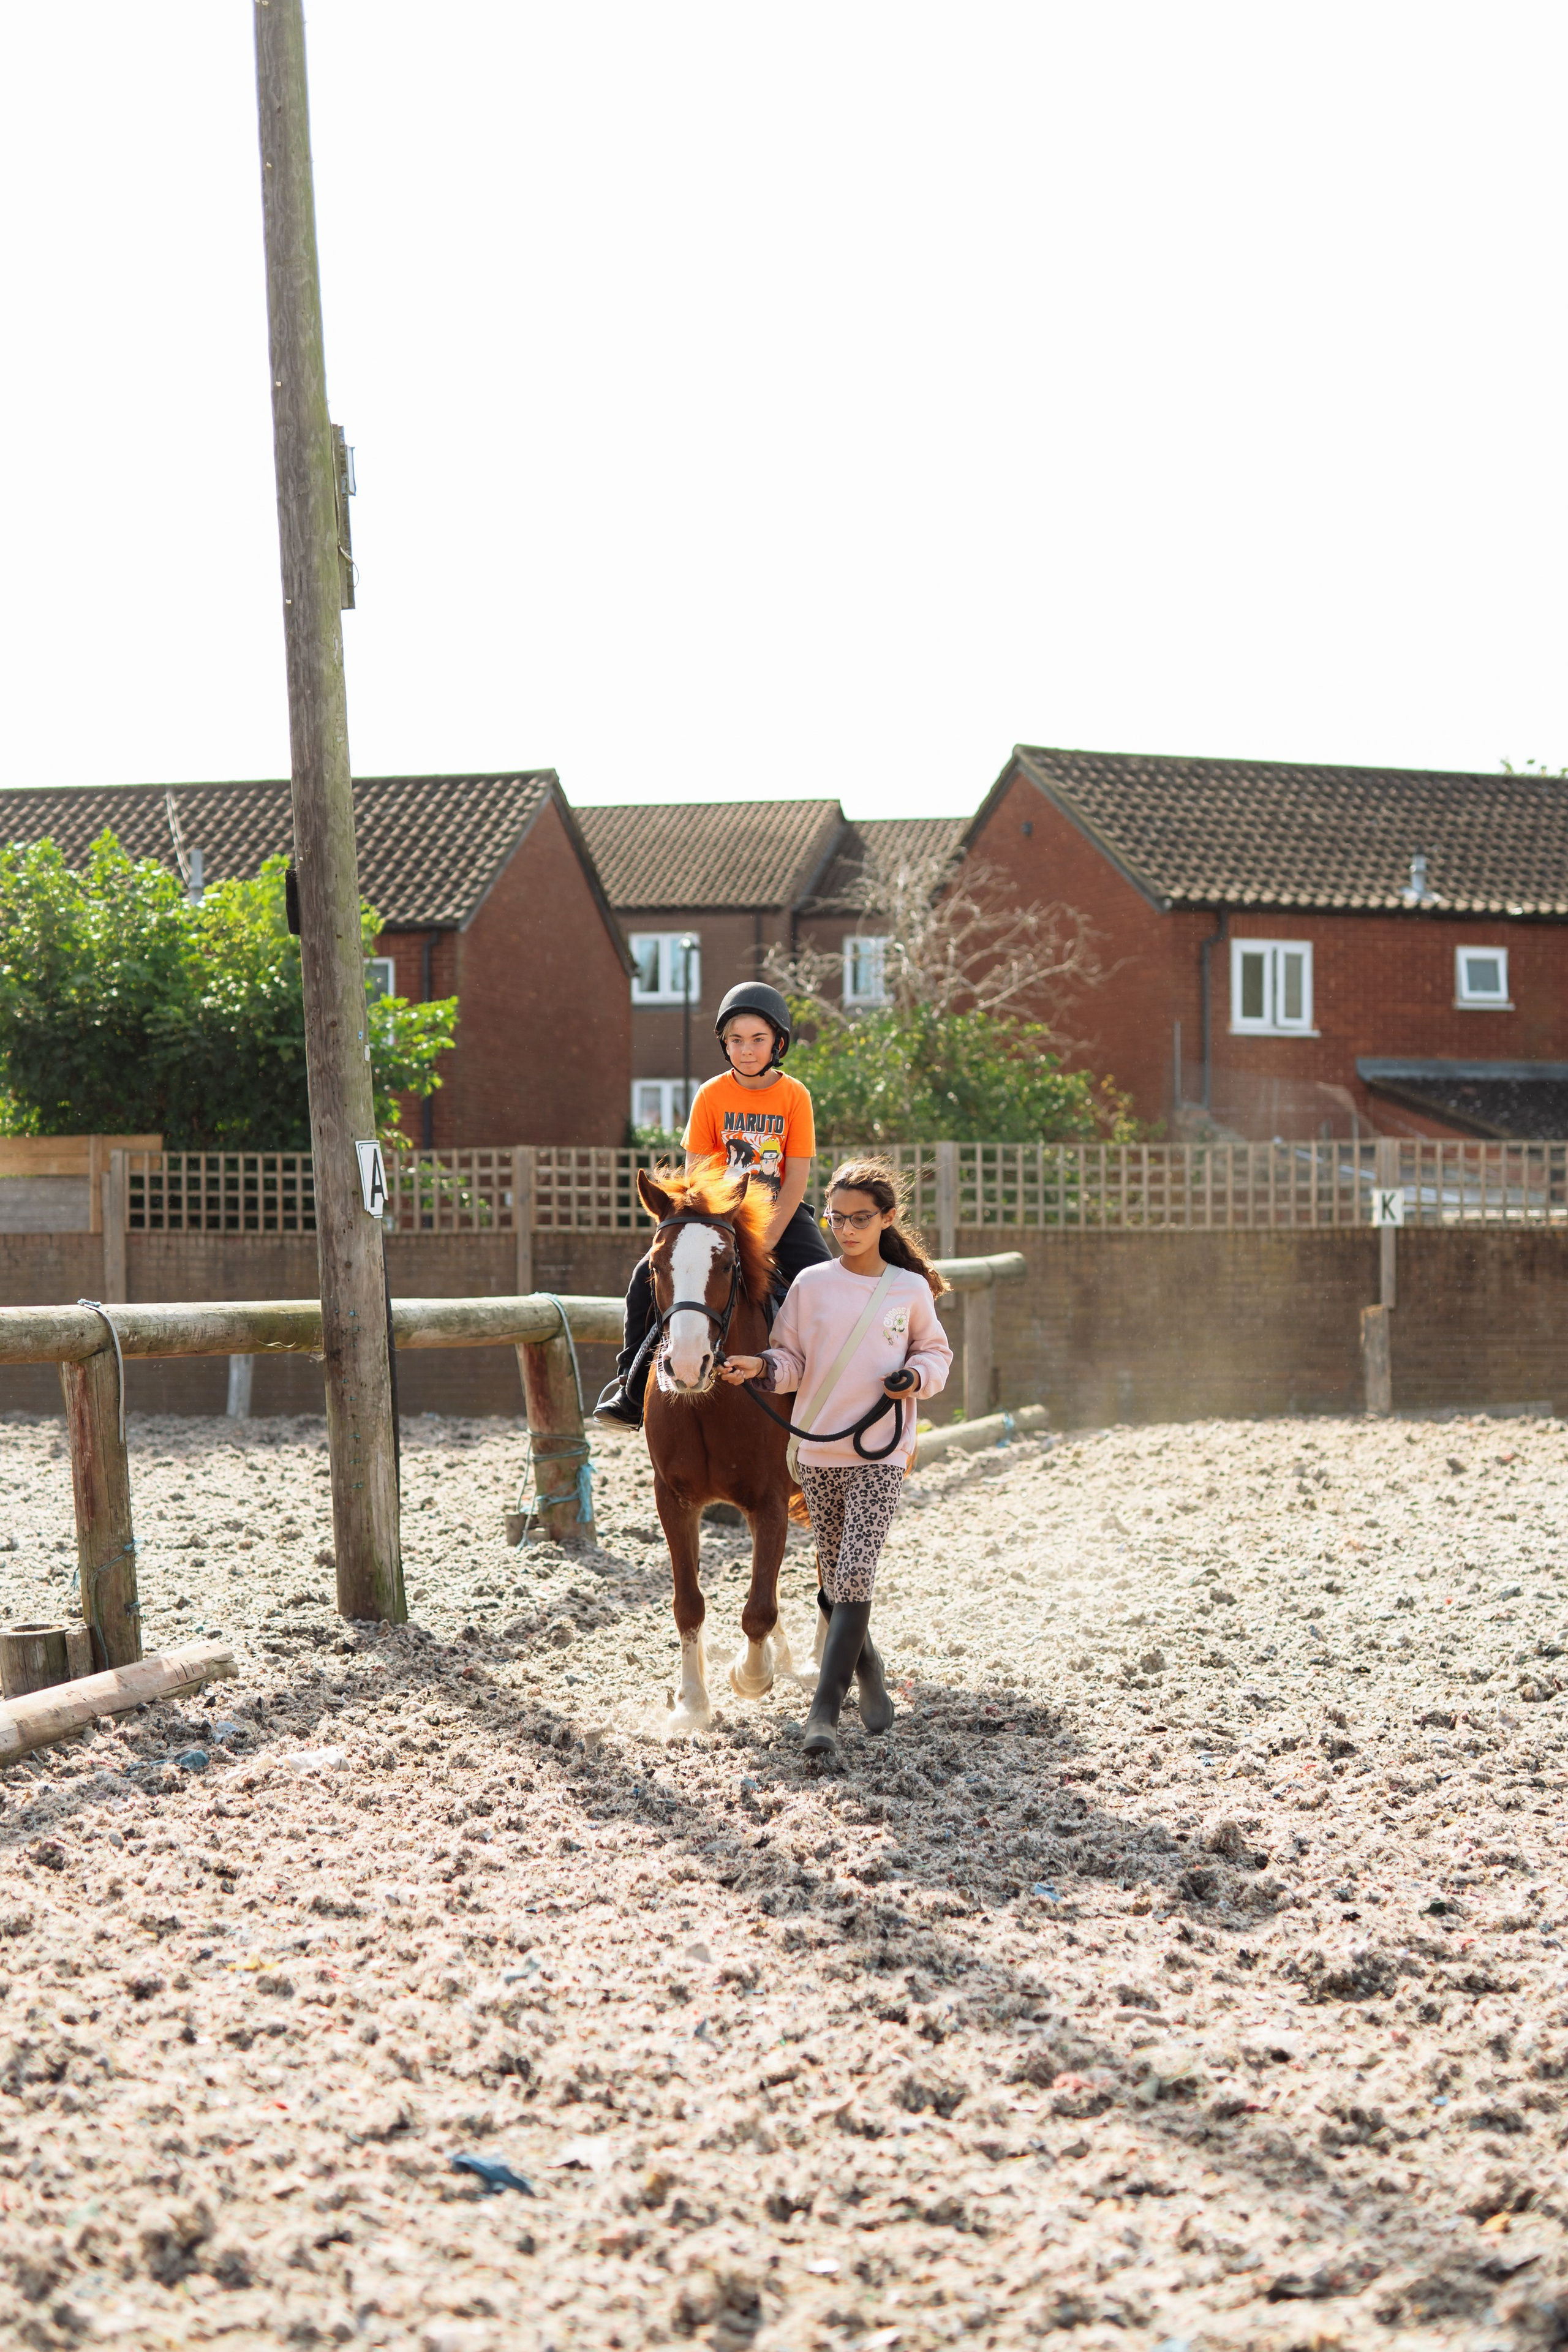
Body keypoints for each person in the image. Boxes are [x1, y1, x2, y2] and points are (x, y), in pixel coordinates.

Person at [718, 1158, 952, 1759]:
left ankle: (823, 1713)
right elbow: (790, 1358)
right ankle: (869, 1672)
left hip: (881, 1450)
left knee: (851, 1575)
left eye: (860, 1219)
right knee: (835, 1578)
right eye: (836, 1218)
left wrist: (915, 1375)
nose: (845, 1229)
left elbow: (937, 1353)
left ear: (887, 1218)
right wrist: (760, 1368)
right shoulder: (810, 1285)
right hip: (819, 1451)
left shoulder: (909, 1288)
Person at [594, 982, 830, 1427]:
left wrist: (765, 1240)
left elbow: (796, 1177)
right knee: (641, 1277)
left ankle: (831, 1388)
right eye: (736, 1040)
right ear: (724, 1045)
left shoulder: (794, 1095)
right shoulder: (710, 1094)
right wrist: (711, 1227)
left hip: (779, 1212)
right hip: (717, 1216)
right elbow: (697, 1177)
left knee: (823, 1280)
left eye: (758, 1040)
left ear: (778, 1043)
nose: (746, 1050)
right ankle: (630, 1386)